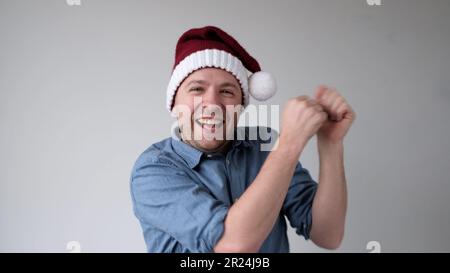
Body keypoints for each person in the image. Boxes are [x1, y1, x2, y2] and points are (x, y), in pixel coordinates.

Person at [130, 26, 356, 253]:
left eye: (227, 92)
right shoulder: (154, 169)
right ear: (174, 103)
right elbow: (233, 247)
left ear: (241, 105)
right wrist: (289, 145)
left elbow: (328, 234)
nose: (212, 104)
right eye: (197, 89)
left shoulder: (264, 147)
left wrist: (330, 144)